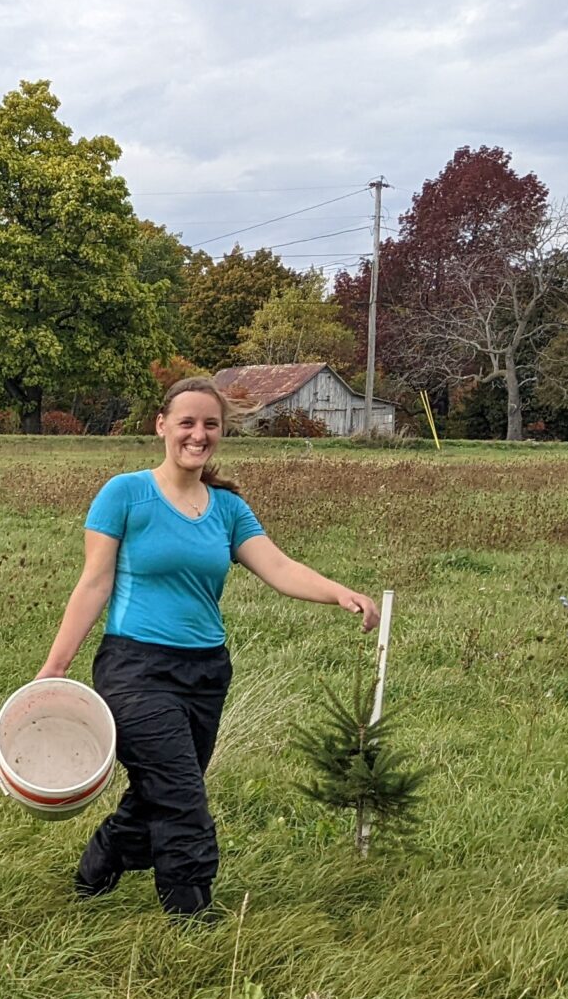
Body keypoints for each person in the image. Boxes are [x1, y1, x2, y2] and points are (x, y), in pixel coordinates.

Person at [36, 376, 379, 918]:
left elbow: (279, 566)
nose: (198, 434)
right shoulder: (124, 494)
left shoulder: (226, 508)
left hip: (206, 673)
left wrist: (340, 593)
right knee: (181, 798)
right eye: (187, 422)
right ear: (162, 426)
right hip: (135, 671)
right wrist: (53, 670)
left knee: (161, 789)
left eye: (210, 424)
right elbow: (94, 584)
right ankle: (192, 915)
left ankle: (97, 869)